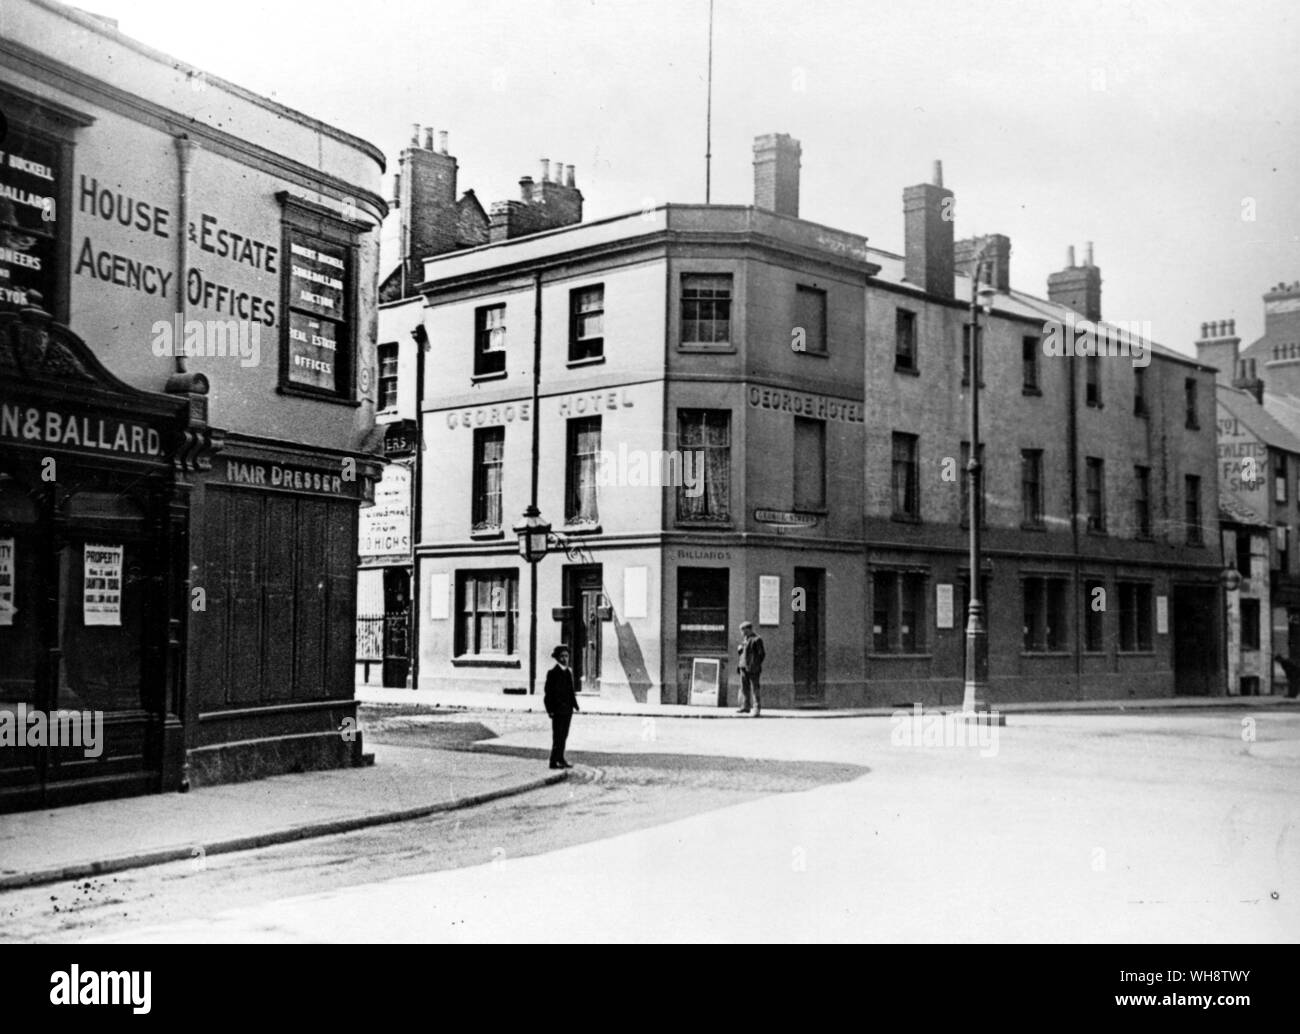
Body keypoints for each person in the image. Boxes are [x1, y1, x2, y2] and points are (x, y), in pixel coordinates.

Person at [544, 645, 579, 768]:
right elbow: (548, 694)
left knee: (564, 735)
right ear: (557, 658)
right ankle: (553, 761)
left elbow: (570, 691)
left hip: (567, 710)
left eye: (567, 656)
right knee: (557, 736)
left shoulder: (568, 672)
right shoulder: (552, 673)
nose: (565, 658)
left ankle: (561, 758)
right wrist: (550, 710)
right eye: (562, 656)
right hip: (558, 711)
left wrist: (575, 705)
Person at [735, 620, 765, 717]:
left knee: (755, 688)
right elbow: (744, 654)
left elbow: (761, 654)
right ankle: (745, 706)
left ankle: (756, 709)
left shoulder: (757, 639)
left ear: (748, 629)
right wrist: (740, 650)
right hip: (743, 667)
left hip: (753, 668)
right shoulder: (745, 639)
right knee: (744, 688)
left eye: (743, 630)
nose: (741, 632)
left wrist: (755, 664)